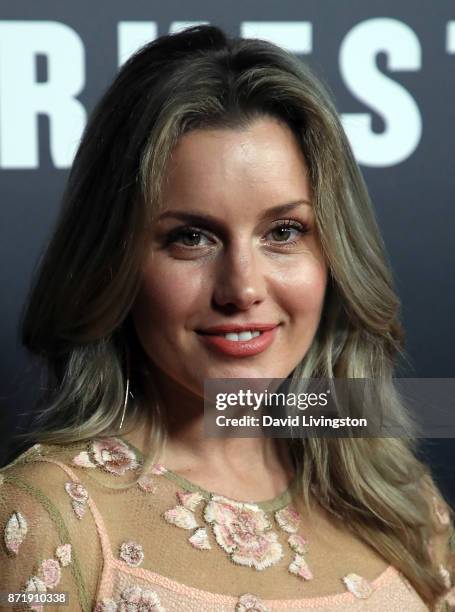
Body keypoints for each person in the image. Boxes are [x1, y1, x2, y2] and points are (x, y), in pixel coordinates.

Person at [0, 24, 453, 612]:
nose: (242, 287)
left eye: (283, 232)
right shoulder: (41, 518)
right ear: (113, 265)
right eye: (191, 237)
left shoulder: (401, 502)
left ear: (335, 254)